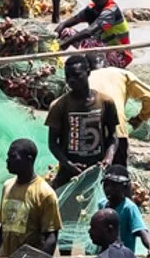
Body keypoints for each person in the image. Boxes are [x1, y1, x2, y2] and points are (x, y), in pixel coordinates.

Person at [44, 54, 122, 185]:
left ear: (88, 72)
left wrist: (108, 158)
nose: (72, 80)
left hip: (96, 169)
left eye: (77, 75)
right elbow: (52, 143)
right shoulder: (59, 106)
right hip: (69, 172)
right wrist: (68, 163)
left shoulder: (105, 102)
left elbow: (113, 136)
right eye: (68, 76)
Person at [0, 137, 60, 258]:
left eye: (13, 157)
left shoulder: (44, 193)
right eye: (8, 156)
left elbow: (51, 237)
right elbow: (4, 227)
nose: (8, 160)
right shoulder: (7, 186)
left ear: (29, 159)